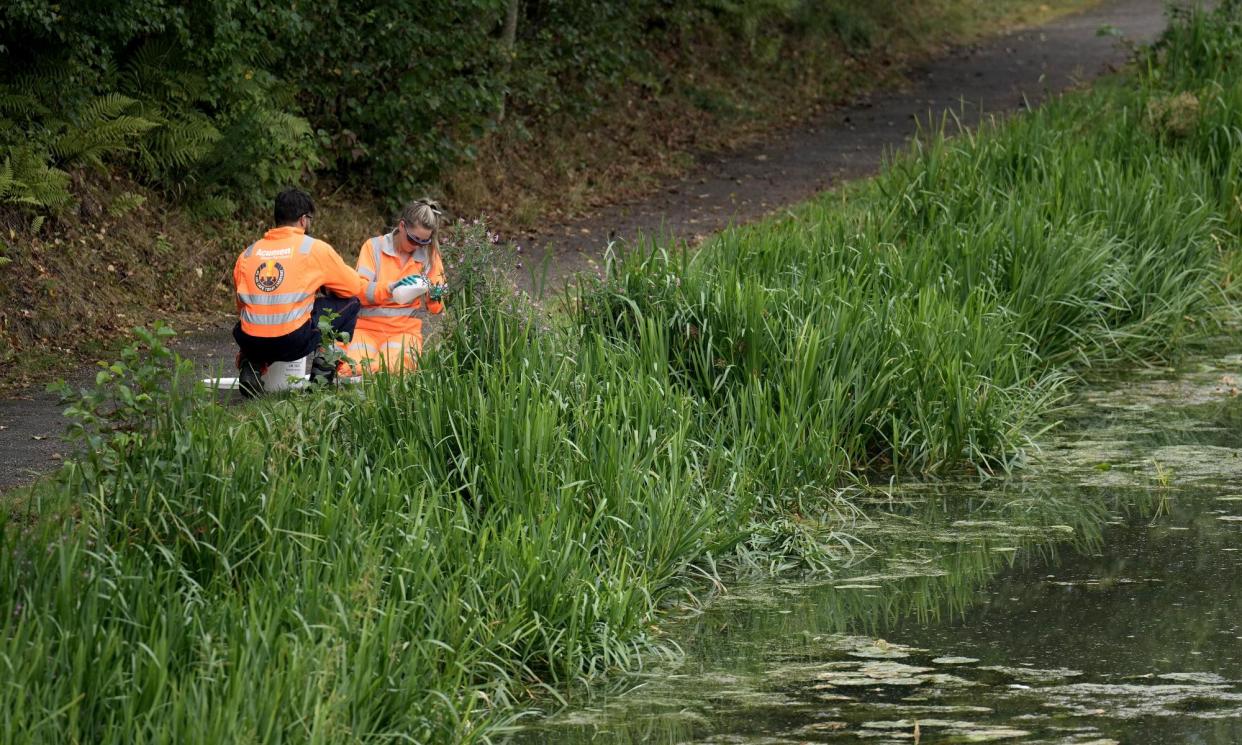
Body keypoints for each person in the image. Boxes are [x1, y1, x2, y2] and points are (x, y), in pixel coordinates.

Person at [233, 188, 368, 397]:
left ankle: (251, 367)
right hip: (292, 341)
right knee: (351, 304)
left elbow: (243, 306)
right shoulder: (312, 248)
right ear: (304, 219)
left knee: (254, 321)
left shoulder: (248, 253)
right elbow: (352, 287)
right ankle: (321, 379)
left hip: (251, 342)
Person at [347, 199, 448, 374]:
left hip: (405, 331)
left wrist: (435, 292)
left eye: (423, 242)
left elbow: (436, 308)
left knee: (396, 370)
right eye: (413, 239)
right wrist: (389, 288)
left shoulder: (430, 255)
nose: (417, 246)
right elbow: (358, 291)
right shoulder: (373, 247)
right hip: (366, 328)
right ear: (402, 226)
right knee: (352, 368)